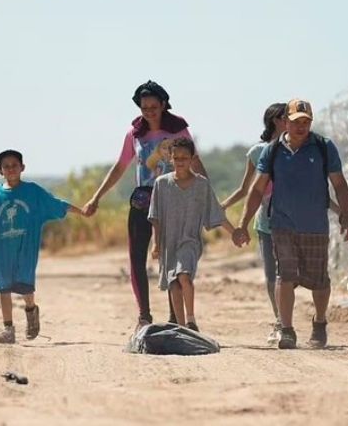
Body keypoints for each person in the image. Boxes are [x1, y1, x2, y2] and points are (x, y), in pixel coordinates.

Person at [82, 80, 208, 330]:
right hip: (143, 198)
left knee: (171, 257)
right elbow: (120, 167)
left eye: (153, 106)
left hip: (174, 197)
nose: (149, 111)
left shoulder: (178, 130)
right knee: (137, 257)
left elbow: (194, 163)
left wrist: (207, 194)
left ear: (163, 105)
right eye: (144, 108)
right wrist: (96, 196)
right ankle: (144, 315)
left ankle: (176, 318)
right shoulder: (134, 134)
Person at [235, 99, 348, 349]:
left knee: (320, 281)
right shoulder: (273, 151)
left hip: (315, 225)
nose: (301, 126)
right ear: (285, 122)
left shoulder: (323, 147)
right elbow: (257, 190)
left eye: (306, 122)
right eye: (296, 121)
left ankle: (319, 322)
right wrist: (243, 222)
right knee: (285, 275)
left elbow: (340, 184)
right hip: (282, 224)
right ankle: (287, 329)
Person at [0, 150, 82, 344]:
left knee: (25, 286)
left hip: (26, 249)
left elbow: (56, 204)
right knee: (3, 287)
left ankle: (31, 309)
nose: (11, 169)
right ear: (0, 170)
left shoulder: (33, 192)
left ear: (22, 167)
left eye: (14, 165)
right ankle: (8, 329)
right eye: (6, 166)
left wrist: (82, 212)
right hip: (2, 251)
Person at [148, 138, 235, 331]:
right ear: (170, 158)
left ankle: (191, 319)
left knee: (184, 275)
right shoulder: (161, 184)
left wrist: (234, 232)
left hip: (190, 241)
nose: (180, 161)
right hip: (168, 242)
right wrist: (156, 244)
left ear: (192, 159)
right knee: (174, 284)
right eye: (176, 157)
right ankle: (182, 328)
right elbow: (155, 217)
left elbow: (216, 213)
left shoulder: (201, 185)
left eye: (184, 158)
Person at [220, 103, 286, 344]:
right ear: (275, 121)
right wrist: (224, 206)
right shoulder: (258, 152)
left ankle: (288, 321)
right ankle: (281, 322)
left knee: (289, 275)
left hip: (292, 223)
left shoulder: (296, 149)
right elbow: (246, 189)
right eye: (286, 117)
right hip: (266, 224)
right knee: (272, 277)